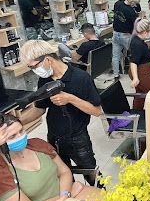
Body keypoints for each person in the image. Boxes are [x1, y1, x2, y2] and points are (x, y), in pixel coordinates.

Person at [19, 40, 103, 185]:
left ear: (48, 59)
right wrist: (18, 122)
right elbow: (40, 108)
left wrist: (70, 99)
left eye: (34, 66)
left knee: (92, 174)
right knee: (64, 175)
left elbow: (97, 111)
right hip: (54, 137)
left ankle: (102, 196)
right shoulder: (44, 80)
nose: (34, 71)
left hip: (77, 138)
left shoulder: (81, 78)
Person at [112, 0, 141, 77]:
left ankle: (116, 74)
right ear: (132, 2)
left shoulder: (117, 4)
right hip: (125, 35)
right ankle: (136, 73)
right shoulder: (131, 11)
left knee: (115, 56)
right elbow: (135, 26)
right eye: (135, 3)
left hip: (115, 33)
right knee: (134, 54)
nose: (135, 5)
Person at [129, 19, 150, 109]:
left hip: (143, 70)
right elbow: (133, 62)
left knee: (140, 95)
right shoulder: (137, 44)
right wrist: (135, 78)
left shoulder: (139, 40)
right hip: (141, 72)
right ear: (144, 32)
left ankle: (136, 112)